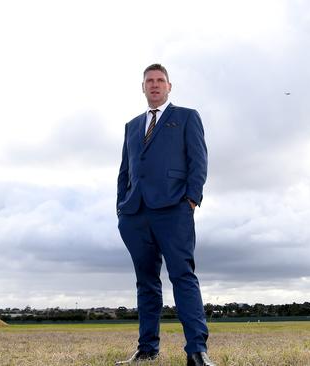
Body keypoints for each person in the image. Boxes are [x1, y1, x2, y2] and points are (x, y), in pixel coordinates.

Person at [116, 64, 215, 366]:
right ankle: (147, 349)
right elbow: (125, 171)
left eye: (160, 81)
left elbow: (198, 160)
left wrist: (191, 200)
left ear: (169, 86)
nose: (155, 85)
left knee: (183, 276)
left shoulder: (186, 117)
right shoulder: (132, 126)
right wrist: (122, 206)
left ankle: (196, 351)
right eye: (149, 81)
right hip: (135, 214)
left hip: (174, 210)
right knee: (145, 282)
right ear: (142, 87)